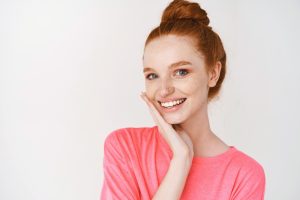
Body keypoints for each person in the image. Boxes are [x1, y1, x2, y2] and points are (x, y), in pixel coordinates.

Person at [100, 0, 266, 199]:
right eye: (152, 75)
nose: (163, 90)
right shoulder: (125, 147)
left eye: (180, 72)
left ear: (213, 73)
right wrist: (180, 161)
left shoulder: (244, 175)